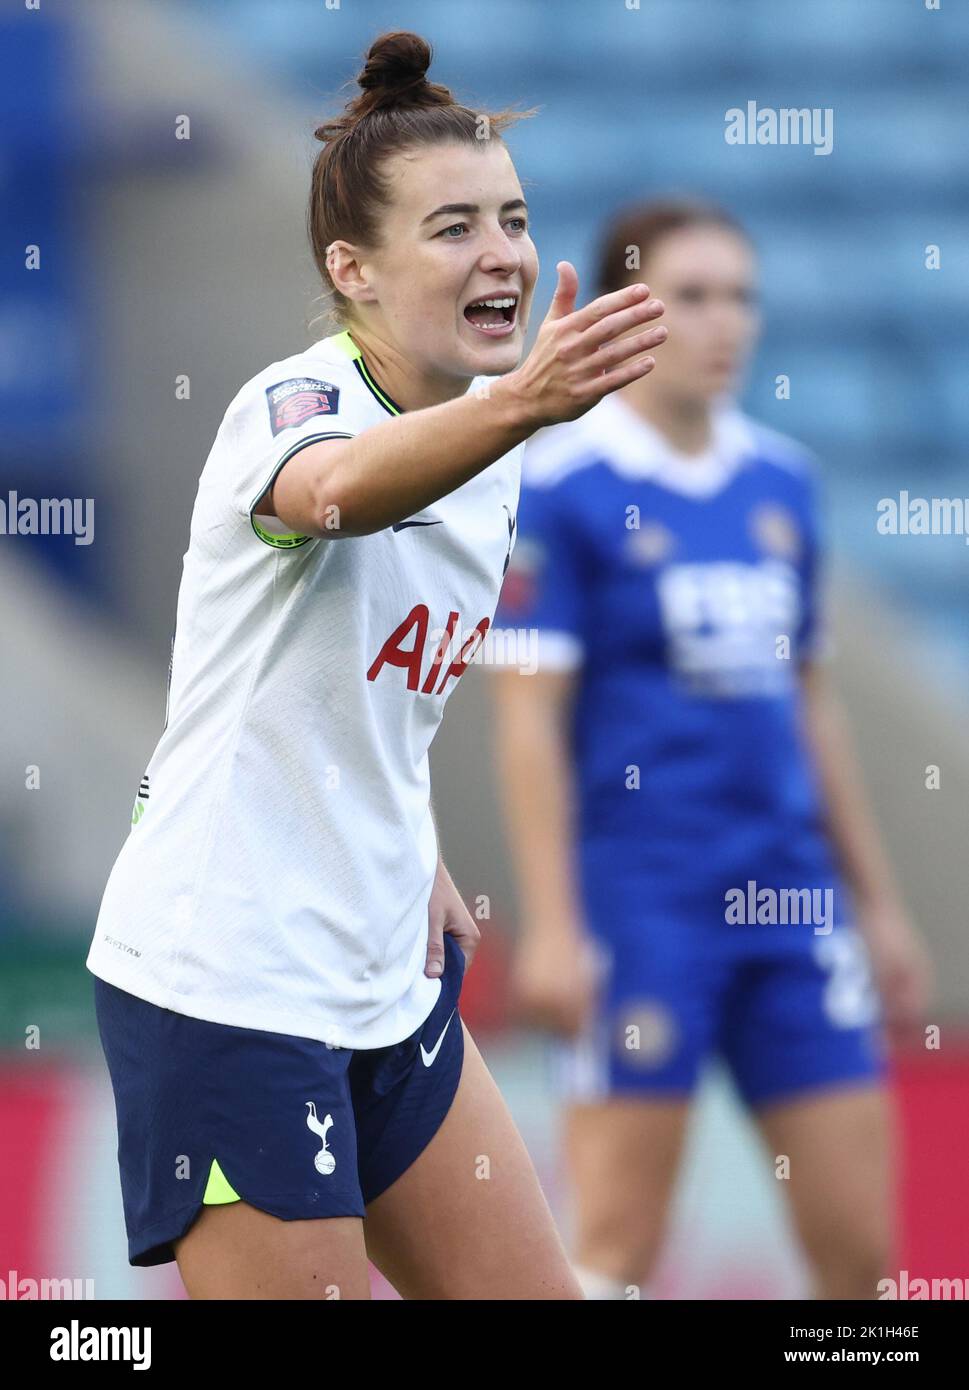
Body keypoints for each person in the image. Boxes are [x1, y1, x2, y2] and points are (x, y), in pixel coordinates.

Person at [85, 31, 668, 1300]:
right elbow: (338, 495)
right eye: (452, 226)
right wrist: (521, 406)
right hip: (228, 987)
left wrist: (412, 851)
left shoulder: (489, 434)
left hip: (379, 977)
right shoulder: (297, 407)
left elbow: (339, 688)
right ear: (352, 269)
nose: (502, 251)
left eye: (511, 217)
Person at [489, 199, 933, 1300]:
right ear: (627, 314)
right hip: (644, 908)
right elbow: (529, 719)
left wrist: (874, 901)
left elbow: (809, 706)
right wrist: (550, 924)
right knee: (614, 1250)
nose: (725, 322)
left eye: (741, 296)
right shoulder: (560, 489)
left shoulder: (779, 479)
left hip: (791, 901)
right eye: (691, 296)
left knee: (859, 1254)